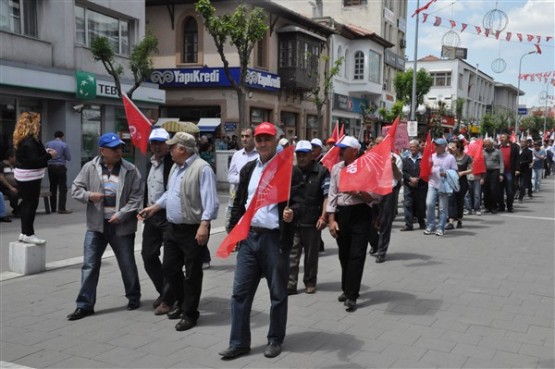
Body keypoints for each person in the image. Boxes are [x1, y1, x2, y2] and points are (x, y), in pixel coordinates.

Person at [219, 122, 304, 360]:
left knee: (277, 294)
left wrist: (292, 213)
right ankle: (238, 343)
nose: (263, 143)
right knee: (239, 294)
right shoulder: (248, 170)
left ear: (276, 140)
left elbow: (301, 203)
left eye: (267, 139)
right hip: (249, 239)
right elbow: (239, 203)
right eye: (259, 139)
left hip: (274, 240)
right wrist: (234, 230)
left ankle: (275, 339)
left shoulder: (288, 171)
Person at [139, 132, 219, 332]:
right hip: (173, 227)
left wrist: (204, 225)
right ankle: (182, 304)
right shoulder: (176, 166)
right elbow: (170, 194)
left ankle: (190, 314)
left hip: (193, 229)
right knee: (170, 268)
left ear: (182, 149)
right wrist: (154, 207)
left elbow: (211, 200)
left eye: (172, 146)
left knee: (192, 273)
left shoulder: (202, 169)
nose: (170, 150)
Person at [67, 132, 143, 321]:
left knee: (126, 263)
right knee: (89, 265)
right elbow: (75, 189)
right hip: (96, 226)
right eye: (114, 148)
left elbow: (136, 198)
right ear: (102, 151)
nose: (119, 151)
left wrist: (122, 214)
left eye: (120, 148)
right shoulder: (90, 168)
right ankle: (84, 305)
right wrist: (89, 196)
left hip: (121, 225)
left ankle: (133, 297)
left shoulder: (131, 169)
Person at [327, 136, 381, 311]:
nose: (340, 151)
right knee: (344, 254)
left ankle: (352, 295)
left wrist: (356, 191)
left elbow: (374, 197)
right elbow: (332, 195)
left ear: (355, 151)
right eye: (340, 148)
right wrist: (331, 219)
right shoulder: (336, 168)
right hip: (342, 214)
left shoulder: (366, 168)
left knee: (356, 255)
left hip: (360, 214)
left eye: (344, 148)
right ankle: (346, 287)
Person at [288, 140, 329, 295]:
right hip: (294, 220)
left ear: (312, 155)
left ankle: (310, 282)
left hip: (313, 221)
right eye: (299, 155)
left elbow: (327, 196)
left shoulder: (322, 172)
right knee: (292, 253)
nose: (302, 158)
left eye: (304, 155)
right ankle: (290, 284)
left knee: (311, 255)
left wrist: (323, 217)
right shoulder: (291, 172)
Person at [141, 128, 175, 316]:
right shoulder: (150, 163)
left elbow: (173, 191)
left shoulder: (173, 164)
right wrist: (144, 209)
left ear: (168, 144)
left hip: (169, 217)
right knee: (148, 256)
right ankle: (166, 291)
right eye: (154, 143)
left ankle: (169, 300)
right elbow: (149, 189)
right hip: (151, 216)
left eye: (160, 143)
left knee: (170, 262)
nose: (157, 146)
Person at [13, 111, 56, 245]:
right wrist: (50, 156)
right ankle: (29, 233)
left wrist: (45, 153)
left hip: (22, 174)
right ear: (32, 124)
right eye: (38, 122)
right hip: (30, 176)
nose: (40, 124)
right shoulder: (31, 140)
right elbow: (34, 161)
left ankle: (24, 232)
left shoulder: (20, 138)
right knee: (31, 205)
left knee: (26, 204)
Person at [369, 136, 402, 263]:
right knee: (369, 222)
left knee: (385, 222)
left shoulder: (396, 158)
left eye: (380, 143)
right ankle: (375, 243)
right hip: (372, 191)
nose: (377, 145)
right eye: (375, 143)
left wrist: (393, 165)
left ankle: (381, 251)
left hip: (389, 191)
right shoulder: (369, 157)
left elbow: (398, 177)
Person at [423, 138, 458, 236]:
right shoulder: (432, 156)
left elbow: (455, 171)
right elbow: (426, 167)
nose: (435, 147)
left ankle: (441, 227)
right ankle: (430, 225)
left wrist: (446, 173)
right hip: (432, 184)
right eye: (435, 145)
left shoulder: (450, 157)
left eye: (437, 145)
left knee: (442, 208)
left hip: (444, 186)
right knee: (429, 204)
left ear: (443, 147)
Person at [226, 127, 258, 233]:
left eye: (247, 136)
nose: (244, 139)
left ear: (253, 137)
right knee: (231, 225)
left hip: (252, 198)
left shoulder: (259, 156)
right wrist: (244, 179)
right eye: (242, 136)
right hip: (236, 196)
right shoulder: (237, 155)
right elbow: (230, 177)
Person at [400, 139, 427, 231]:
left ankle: (421, 222)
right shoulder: (405, 159)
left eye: (414, 147)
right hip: (409, 185)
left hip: (421, 186)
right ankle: (408, 224)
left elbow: (425, 171)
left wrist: (417, 180)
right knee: (407, 204)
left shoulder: (423, 159)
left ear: (418, 147)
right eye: (410, 147)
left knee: (420, 205)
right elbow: (403, 172)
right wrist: (410, 179)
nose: (412, 149)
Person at [446, 141, 472, 229]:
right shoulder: (450, 157)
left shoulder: (467, 157)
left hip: (462, 182)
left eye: (453, 148)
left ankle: (459, 220)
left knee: (459, 201)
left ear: (459, 148)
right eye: (451, 148)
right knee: (451, 200)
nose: (452, 149)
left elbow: (472, 169)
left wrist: (462, 173)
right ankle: (451, 222)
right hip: (451, 181)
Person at [46, 131, 72, 214]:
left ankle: (53, 208)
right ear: (62, 136)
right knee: (62, 188)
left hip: (50, 166)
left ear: (55, 136)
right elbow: (68, 157)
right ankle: (61, 208)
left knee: (52, 187)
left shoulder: (48, 144)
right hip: (60, 167)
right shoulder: (64, 145)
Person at [497, 133, 519, 213]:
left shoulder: (514, 147)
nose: (501, 138)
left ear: (507, 138)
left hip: (509, 171)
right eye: (501, 137)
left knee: (510, 190)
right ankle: (501, 206)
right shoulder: (498, 147)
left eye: (503, 137)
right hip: (500, 172)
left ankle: (510, 206)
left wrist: (517, 169)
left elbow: (517, 159)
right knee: (499, 190)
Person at [481, 138, 504, 214]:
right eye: (485, 145)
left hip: (495, 171)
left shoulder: (498, 151)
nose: (486, 146)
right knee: (486, 190)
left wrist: (501, 174)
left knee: (493, 189)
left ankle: (494, 207)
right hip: (485, 172)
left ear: (491, 144)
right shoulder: (482, 152)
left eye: (488, 144)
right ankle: (487, 207)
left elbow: (501, 163)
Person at [0, 149, 20, 216]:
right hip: (6, 187)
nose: (16, 158)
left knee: (29, 193)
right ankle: (16, 209)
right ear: (10, 157)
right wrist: (10, 187)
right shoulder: (2, 165)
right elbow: (1, 178)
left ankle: (18, 209)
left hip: (17, 185)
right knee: (14, 194)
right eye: (15, 157)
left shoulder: (16, 165)